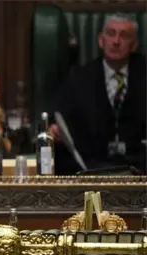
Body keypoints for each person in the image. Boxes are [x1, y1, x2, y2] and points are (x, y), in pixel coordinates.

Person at [49, 13, 146, 174]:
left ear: (134, 45)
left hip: (141, 173)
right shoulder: (78, 78)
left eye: (124, 36)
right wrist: (55, 130)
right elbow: (59, 117)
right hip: (92, 170)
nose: (116, 41)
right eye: (110, 34)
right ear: (101, 40)